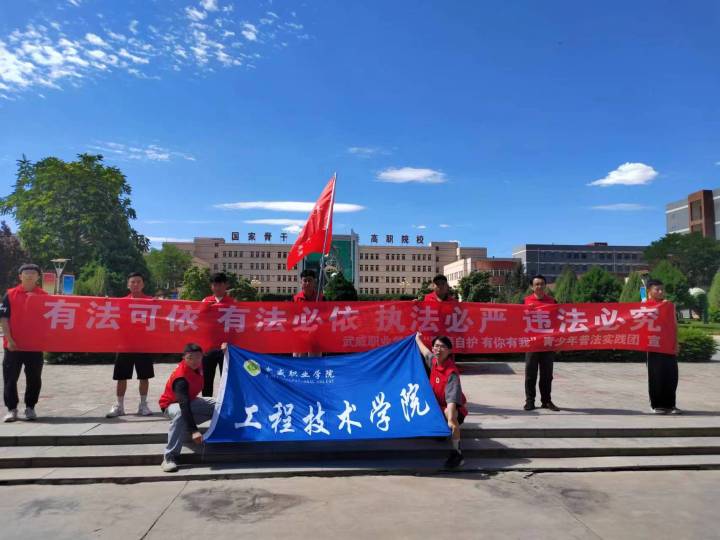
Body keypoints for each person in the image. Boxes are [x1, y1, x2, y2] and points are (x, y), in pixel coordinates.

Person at [159, 342, 218, 472]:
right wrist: (194, 430)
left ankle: (223, 438)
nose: (194, 361)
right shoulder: (181, 378)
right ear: (184, 358)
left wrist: (227, 351)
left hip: (191, 400)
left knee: (219, 405)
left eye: (198, 357)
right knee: (180, 414)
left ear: (202, 357)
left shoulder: (199, 365)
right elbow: (184, 405)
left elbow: (214, 352)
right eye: (190, 358)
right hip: (171, 405)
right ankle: (169, 457)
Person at [1, 263, 48, 422]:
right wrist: (10, 340)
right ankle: (11, 409)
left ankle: (30, 407)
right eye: (26, 273)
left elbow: (51, 320)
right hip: (13, 346)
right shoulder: (10, 294)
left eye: (33, 273)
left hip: (34, 346)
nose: (29, 275)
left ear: (38, 277)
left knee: (34, 378)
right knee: (10, 378)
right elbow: (4, 319)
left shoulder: (44, 296)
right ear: (20, 276)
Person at [415, 332, 468, 469]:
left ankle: (457, 453)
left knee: (451, 417)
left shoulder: (451, 374)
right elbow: (425, 352)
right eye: (436, 346)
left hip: (451, 408)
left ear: (449, 351)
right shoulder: (434, 362)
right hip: (436, 407)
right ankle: (440, 432)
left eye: (443, 346)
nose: (438, 349)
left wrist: (450, 420)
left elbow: (451, 402)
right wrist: (417, 339)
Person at [106, 272, 155, 418]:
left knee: (144, 376)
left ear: (143, 284)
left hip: (144, 345)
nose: (135, 284)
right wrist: (105, 303)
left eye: (138, 282)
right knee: (121, 376)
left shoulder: (151, 302)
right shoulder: (121, 302)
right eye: (132, 282)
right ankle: (119, 406)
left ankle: (143, 405)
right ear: (128, 285)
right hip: (124, 345)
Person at [523, 274, 560, 411]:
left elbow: (558, 321)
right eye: (536, 284)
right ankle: (530, 401)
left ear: (545, 286)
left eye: (542, 284)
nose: (539, 286)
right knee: (530, 374)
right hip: (531, 343)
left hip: (548, 343)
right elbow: (517, 320)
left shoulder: (552, 301)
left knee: (547, 375)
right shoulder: (525, 301)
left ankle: (546, 401)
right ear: (531, 287)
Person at [644, 279, 680, 414]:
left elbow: (674, 325)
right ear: (649, 291)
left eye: (662, 289)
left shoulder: (669, 305)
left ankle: (670, 405)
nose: (660, 292)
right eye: (657, 289)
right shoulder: (644, 306)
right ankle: (657, 405)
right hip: (653, 346)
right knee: (656, 376)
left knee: (672, 376)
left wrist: (676, 342)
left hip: (668, 345)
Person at [201, 272, 235, 396]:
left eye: (220, 285)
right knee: (206, 379)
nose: (217, 288)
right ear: (211, 286)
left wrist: (230, 344)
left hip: (226, 348)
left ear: (226, 285)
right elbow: (198, 322)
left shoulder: (232, 303)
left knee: (226, 379)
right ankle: (206, 403)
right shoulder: (206, 301)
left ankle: (225, 404)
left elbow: (237, 326)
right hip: (208, 348)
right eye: (214, 285)